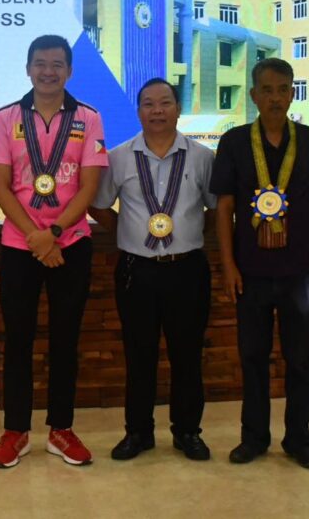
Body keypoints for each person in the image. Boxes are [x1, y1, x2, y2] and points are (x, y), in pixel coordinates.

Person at [210, 57, 309, 469]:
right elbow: (224, 206)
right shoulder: (233, 143)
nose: (275, 98)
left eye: (283, 90)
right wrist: (228, 265)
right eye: (266, 90)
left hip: (301, 271)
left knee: (300, 359)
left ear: (292, 93)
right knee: (252, 357)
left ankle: (299, 439)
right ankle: (254, 438)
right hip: (250, 272)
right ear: (253, 95)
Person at [0, 34, 108, 468]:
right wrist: (36, 237)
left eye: (57, 64)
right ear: (28, 69)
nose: (48, 71)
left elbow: (89, 186)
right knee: (18, 339)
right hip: (20, 246)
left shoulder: (89, 118)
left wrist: (53, 233)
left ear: (70, 71)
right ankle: (15, 431)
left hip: (69, 245)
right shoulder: (6, 118)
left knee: (65, 339)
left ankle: (61, 429)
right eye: (40, 63)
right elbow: (1, 186)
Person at [90, 78, 217, 462]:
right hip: (137, 270)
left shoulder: (201, 157)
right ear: (138, 111)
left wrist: (192, 234)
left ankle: (188, 432)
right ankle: (138, 432)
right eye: (148, 103)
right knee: (138, 355)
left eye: (165, 103)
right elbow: (98, 204)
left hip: (187, 269)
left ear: (178, 109)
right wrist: (125, 231)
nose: (157, 110)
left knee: (187, 355)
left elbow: (216, 208)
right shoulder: (119, 157)